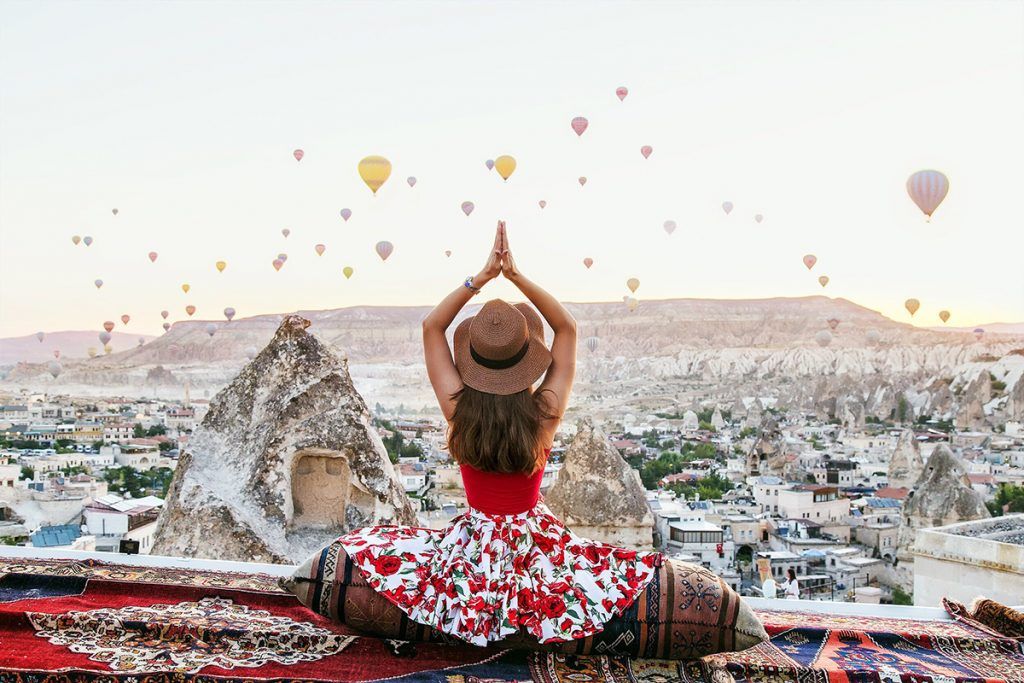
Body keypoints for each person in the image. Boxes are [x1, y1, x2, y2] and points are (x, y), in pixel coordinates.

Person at [339, 221, 661, 647]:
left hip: (471, 549)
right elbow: (568, 328)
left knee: (384, 545)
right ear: (526, 359)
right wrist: (516, 277)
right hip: (535, 545)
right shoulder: (543, 414)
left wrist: (480, 278)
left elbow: (431, 327)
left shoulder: (459, 410)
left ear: (473, 358)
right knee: (597, 574)